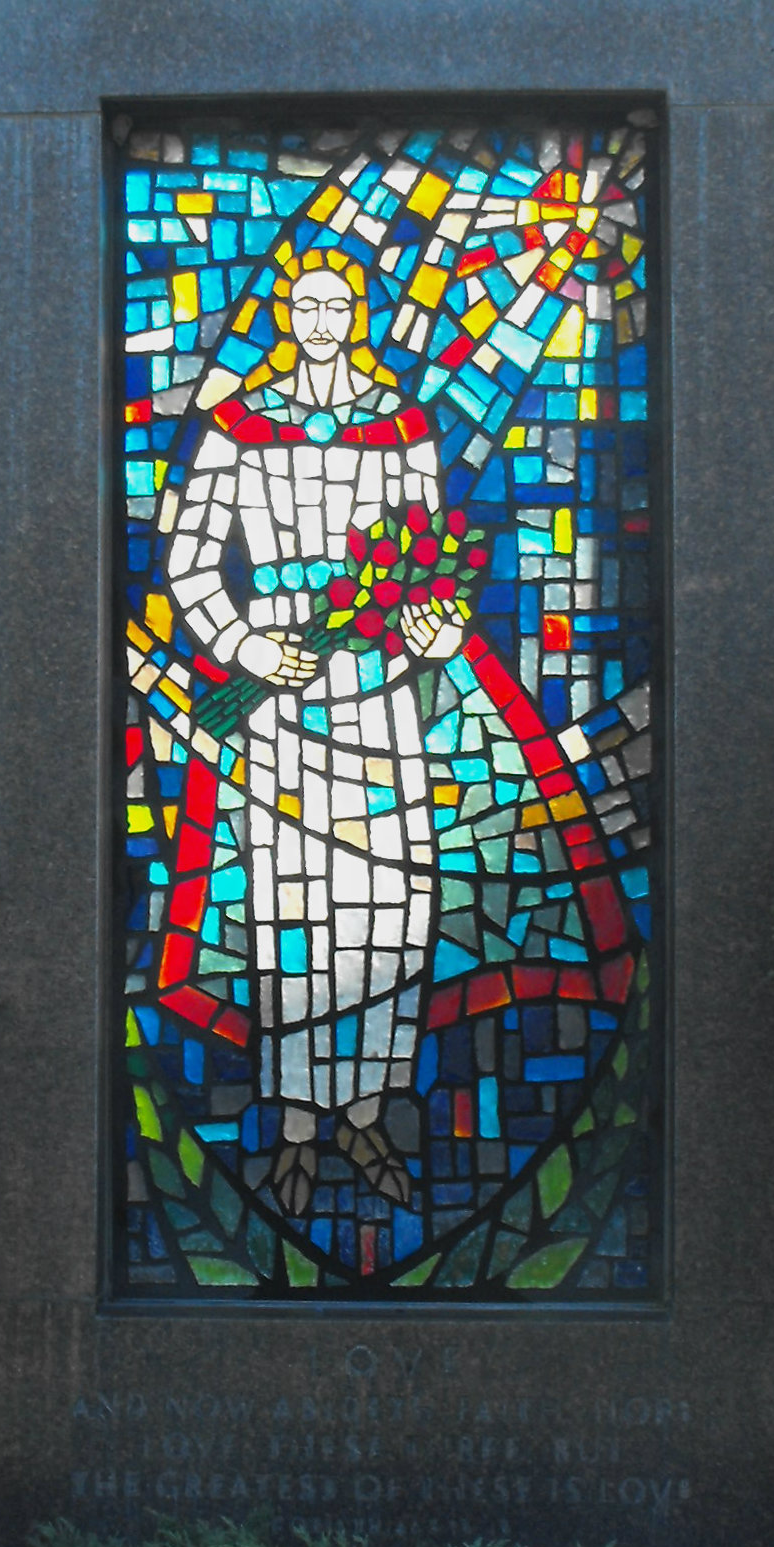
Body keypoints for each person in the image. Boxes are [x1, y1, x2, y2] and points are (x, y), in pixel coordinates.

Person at [162, 246, 467, 1218]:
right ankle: (296, 1118)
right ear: (289, 316)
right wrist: (246, 644)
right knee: (296, 905)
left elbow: (429, 569)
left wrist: (435, 630)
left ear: (361, 317)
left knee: (394, 898)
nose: (325, 319)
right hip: (282, 691)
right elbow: (190, 565)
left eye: (341, 305)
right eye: (309, 304)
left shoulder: (402, 428)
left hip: (377, 686)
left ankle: (368, 1108)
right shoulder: (238, 426)